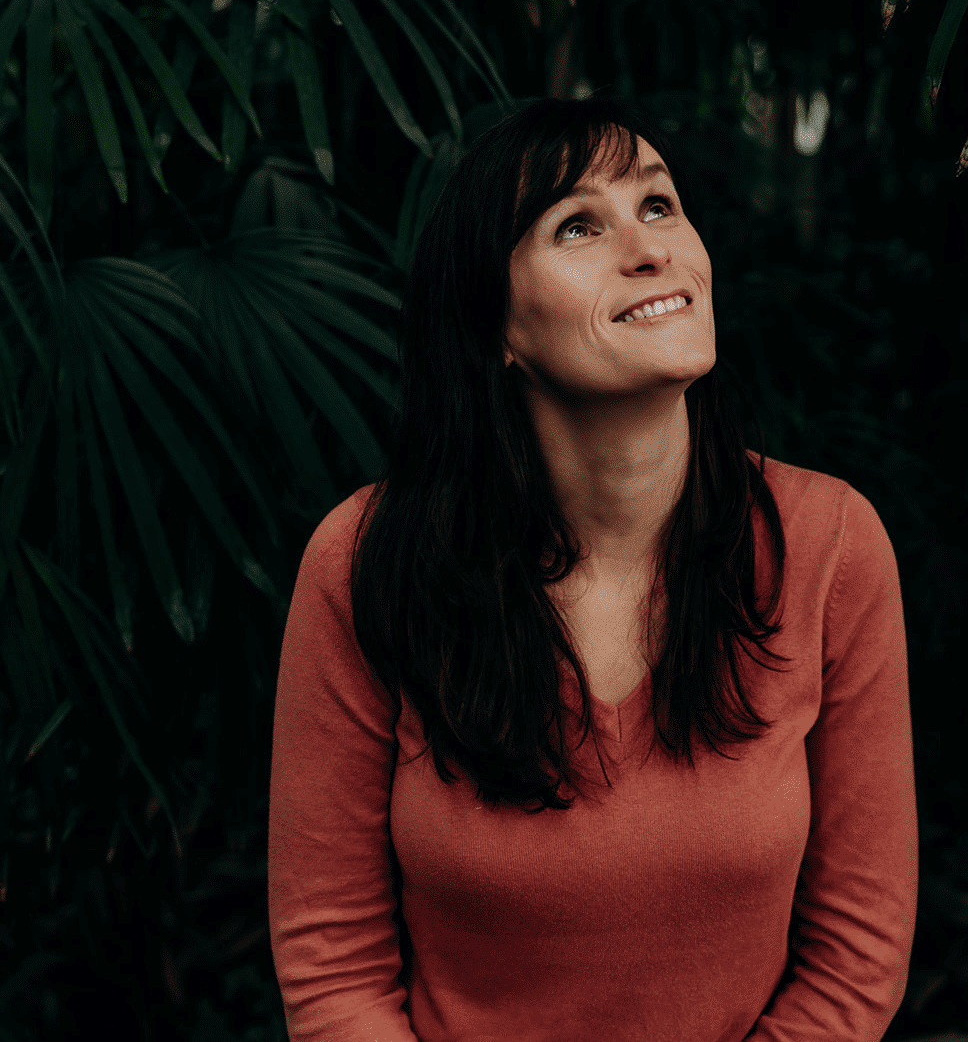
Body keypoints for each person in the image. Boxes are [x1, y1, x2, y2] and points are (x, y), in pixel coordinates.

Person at [267, 95, 918, 1042]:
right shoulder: (365, 563)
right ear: (496, 326)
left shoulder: (830, 545)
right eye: (578, 225)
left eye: (658, 204)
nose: (650, 248)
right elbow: (334, 970)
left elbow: (857, 953)